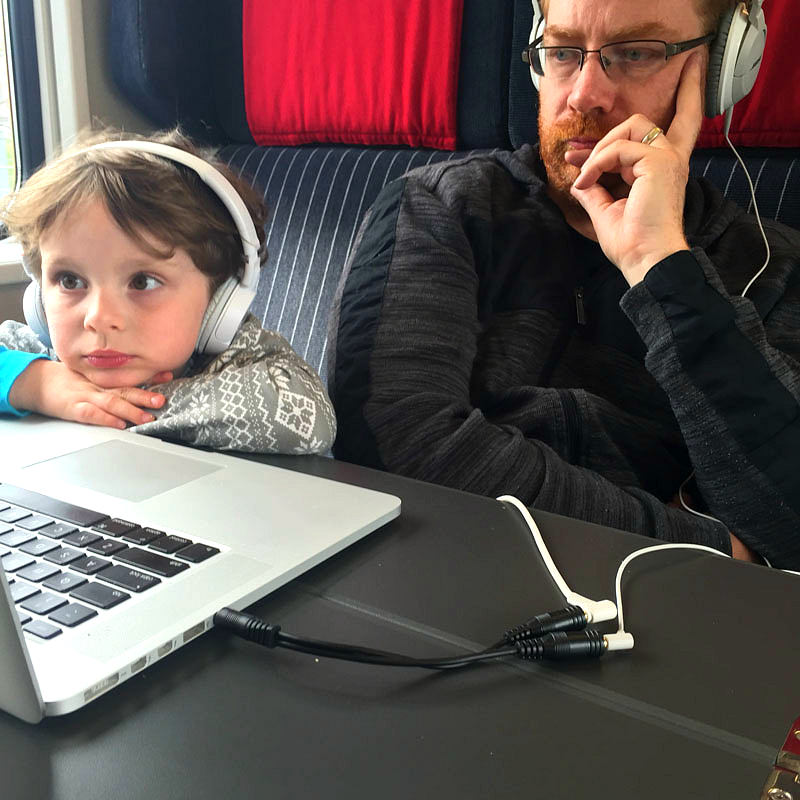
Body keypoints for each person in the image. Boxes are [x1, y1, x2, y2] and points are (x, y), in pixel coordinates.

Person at [327, 0, 800, 569]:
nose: (583, 95)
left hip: (676, 622)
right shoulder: (444, 206)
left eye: (636, 53)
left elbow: (787, 520)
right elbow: (396, 443)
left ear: (722, 69)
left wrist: (661, 266)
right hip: (443, 575)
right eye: (563, 51)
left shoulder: (772, 266)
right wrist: (704, 548)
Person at [0, 128, 336, 455]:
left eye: (142, 282)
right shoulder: (46, 355)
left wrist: (108, 407)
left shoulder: (240, 356)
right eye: (70, 281)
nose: (99, 318)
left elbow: (308, 419)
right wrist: (37, 385)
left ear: (220, 300)